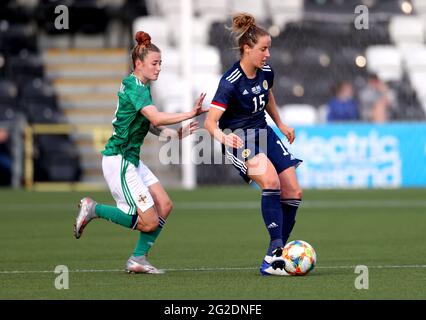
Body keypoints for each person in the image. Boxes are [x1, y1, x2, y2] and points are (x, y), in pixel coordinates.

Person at [73, 31, 207, 274]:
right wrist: (191, 112)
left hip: (131, 161)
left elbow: (151, 125)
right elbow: (155, 116)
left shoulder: (141, 87)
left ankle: (138, 259)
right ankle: (94, 209)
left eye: (160, 64)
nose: (158, 69)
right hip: (119, 160)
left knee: (165, 205)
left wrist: (176, 134)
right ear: (139, 64)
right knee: (149, 222)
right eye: (154, 64)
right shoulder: (136, 88)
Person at [204, 13, 303, 276]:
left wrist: (280, 124)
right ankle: (276, 251)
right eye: (263, 48)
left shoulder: (266, 71)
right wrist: (224, 137)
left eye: (269, 48)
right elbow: (210, 123)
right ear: (247, 49)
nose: (268, 54)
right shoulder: (230, 82)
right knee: (271, 181)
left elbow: (266, 94)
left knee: (293, 190)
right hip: (240, 139)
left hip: (265, 133)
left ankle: (275, 256)